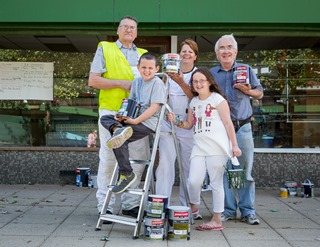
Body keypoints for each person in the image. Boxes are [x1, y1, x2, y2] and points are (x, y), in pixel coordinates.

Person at [88, 16, 150, 222]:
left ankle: (130, 205)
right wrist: (122, 84)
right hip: (111, 113)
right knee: (108, 159)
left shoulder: (143, 55)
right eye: (125, 27)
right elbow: (93, 80)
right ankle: (104, 206)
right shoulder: (105, 48)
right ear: (118, 30)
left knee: (138, 160)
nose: (129, 30)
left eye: (133, 28)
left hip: (136, 115)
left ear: (137, 32)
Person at [169, 67, 241, 231]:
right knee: (193, 181)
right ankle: (194, 207)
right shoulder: (193, 102)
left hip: (217, 148)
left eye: (202, 80)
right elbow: (188, 125)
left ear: (209, 82)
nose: (198, 84)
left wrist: (234, 145)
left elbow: (228, 123)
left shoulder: (218, 100)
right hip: (199, 148)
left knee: (216, 183)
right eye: (195, 81)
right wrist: (175, 120)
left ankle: (217, 219)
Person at [210, 34, 264, 225]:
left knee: (244, 171)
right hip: (219, 130)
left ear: (235, 51)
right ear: (217, 53)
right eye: (222, 48)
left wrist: (248, 91)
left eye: (229, 47)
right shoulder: (211, 73)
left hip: (242, 128)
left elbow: (260, 93)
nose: (225, 51)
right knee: (223, 171)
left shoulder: (246, 70)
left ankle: (248, 210)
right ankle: (227, 210)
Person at [100, 52, 166, 194]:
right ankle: (118, 128)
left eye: (150, 68)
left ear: (157, 69)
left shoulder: (158, 84)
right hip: (132, 120)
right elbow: (131, 103)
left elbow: (154, 108)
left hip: (147, 123)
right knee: (105, 118)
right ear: (138, 67)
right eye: (143, 67)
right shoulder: (136, 82)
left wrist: (135, 121)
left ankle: (126, 173)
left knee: (119, 139)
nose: (146, 71)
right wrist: (122, 116)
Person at [156, 39, 198, 212]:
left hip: (189, 124)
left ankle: (187, 207)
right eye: (183, 51)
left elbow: (196, 98)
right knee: (165, 164)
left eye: (190, 51)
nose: (186, 54)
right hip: (169, 122)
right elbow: (161, 97)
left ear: (195, 56)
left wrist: (180, 82)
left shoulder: (198, 74)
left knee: (188, 168)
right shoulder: (169, 72)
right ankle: (160, 205)